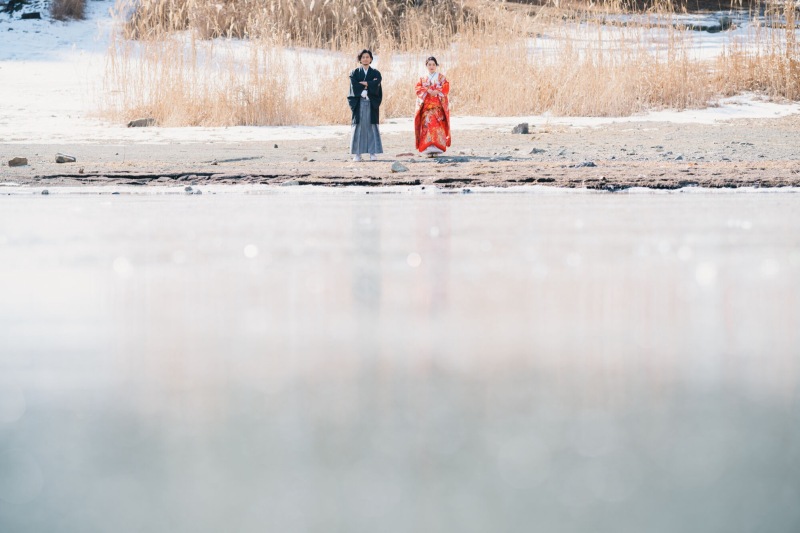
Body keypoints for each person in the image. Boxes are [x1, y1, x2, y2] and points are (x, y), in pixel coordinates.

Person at [348, 49, 383, 162]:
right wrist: (363, 90)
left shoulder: (376, 73)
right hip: (359, 103)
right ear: (360, 59)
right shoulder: (355, 73)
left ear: (371, 59)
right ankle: (357, 154)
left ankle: (372, 153)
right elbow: (354, 85)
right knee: (359, 128)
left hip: (371, 102)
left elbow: (377, 83)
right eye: (363, 57)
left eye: (367, 57)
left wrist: (367, 84)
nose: (365, 59)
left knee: (371, 128)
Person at [414, 56, 450, 157]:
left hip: (438, 107)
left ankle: (438, 148)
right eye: (429, 64)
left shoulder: (441, 77)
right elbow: (417, 88)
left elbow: (446, 86)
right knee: (427, 126)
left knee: (437, 127)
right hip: (427, 108)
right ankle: (427, 148)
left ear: (436, 65)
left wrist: (437, 90)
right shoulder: (422, 78)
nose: (431, 66)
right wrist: (427, 90)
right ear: (426, 65)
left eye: (433, 64)